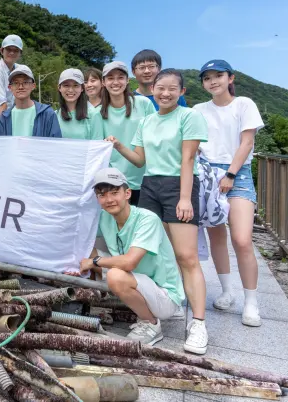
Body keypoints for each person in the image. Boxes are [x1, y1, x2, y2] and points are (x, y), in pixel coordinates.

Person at [107, 69, 211, 355]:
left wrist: (185, 198)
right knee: (156, 253)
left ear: (182, 91)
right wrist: (118, 146)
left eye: (171, 89)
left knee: (186, 256)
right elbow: (140, 161)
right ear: (151, 89)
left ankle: (199, 323)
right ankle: (157, 317)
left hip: (179, 184)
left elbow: (188, 158)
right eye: (160, 88)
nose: (165, 93)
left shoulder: (188, 117)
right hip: (150, 185)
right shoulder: (147, 121)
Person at [194, 59, 265, 328]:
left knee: (242, 239)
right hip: (208, 172)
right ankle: (226, 291)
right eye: (207, 78)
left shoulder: (244, 104)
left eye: (218, 76)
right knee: (216, 236)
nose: (213, 81)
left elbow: (247, 142)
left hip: (239, 174)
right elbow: (195, 142)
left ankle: (251, 302)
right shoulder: (199, 109)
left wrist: (231, 175)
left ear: (230, 78)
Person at [80, 168, 185, 346]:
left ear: (127, 193)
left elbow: (129, 262)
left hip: (164, 295)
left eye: (115, 193)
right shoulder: (106, 217)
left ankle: (150, 324)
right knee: (85, 250)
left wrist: (95, 262)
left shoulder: (147, 219)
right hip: (139, 281)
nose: (109, 199)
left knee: (115, 275)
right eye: (102, 195)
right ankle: (98, 301)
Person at [92, 61, 155, 205]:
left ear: (127, 80)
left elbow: (155, 139)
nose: (115, 82)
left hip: (145, 180)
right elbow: (98, 152)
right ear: (103, 82)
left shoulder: (144, 104)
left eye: (120, 77)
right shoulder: (97, 114)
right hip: (115, 184)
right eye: (110, 78)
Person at [0, 66, 61, 137]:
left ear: (33, 86)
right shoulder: (4, 118)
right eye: (16, 83)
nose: (20, 87)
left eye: (25, 82)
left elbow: (56, 144)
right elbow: (0, 146)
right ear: (10, 87)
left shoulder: (47, 114)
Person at [56, 68, 102, 140]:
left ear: (82, 88)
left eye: (75, 85)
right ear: (59, 88)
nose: (71, 90)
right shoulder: (54, 116)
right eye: (66, 85)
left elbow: (97, 147)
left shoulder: (93, 114)